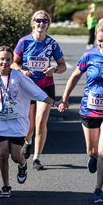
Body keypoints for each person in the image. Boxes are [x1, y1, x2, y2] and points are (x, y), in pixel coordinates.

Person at [58, 15, 103, 203]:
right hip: (89, 109)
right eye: (99, 41)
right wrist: (65, 98)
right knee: (92, 151)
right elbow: (75, 76)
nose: (102, 45)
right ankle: (92, 157)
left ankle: (98, 189)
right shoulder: (89, 55)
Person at [0, 46, 56, 198]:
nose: (5, 62)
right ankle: (6, 186)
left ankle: (22, 164)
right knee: (3, 153)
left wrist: (54, 102)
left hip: (18, 122)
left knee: (15, 155)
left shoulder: (18, 76)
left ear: (11, 60)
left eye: (8, 59)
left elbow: (35, 91)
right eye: (2, 59)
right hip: (0, 121)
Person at [11, 10, 66, 170]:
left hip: (45, 87)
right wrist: (22, 71)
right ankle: (28, 141)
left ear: (48, 24)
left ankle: (37, 158)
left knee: (41, 122)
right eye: (38, 20)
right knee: (30, 124)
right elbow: (13, 63)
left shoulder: (52, 44)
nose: (41, 23)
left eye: (44, 21)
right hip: (27, 88)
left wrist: (54, 70)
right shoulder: (24, 42)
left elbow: (62, 65)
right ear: (33, 23)